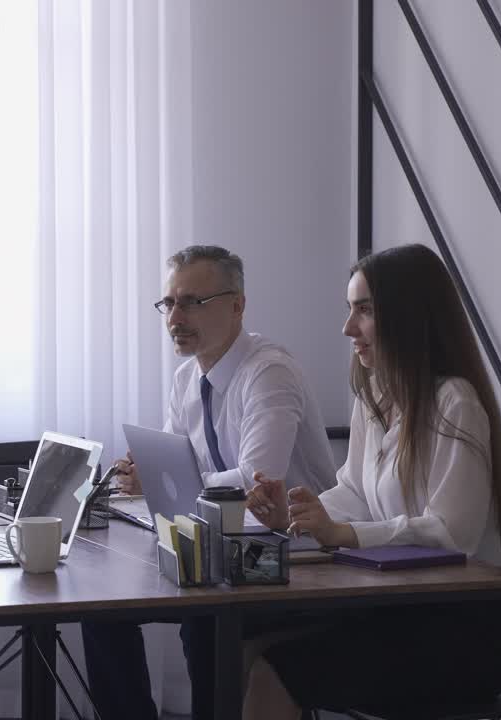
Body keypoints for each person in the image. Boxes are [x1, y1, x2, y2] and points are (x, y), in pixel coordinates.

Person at [241, 243, 501, 718]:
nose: (348, 327)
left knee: (276, 669)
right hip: (402, 610)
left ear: (409, 316)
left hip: (468, 629)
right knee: (247, 645)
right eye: (349, 309)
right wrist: (294, 516)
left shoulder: (455, 402)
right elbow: (354, 491)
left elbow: (450, 534)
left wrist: (343, 534)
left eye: (365, 311)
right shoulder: (373, 395)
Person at [82, 245, 336, 720]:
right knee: (103, 610)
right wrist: (145, 478)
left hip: (295, 555)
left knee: (204, 619)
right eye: (170, 303)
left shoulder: (269, 373)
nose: (176, 316)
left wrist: (171, 480)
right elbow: (177, 470)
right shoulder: (186, 378)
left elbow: (257, 482)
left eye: (193, 302)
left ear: (237, 304)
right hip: (220, 550)